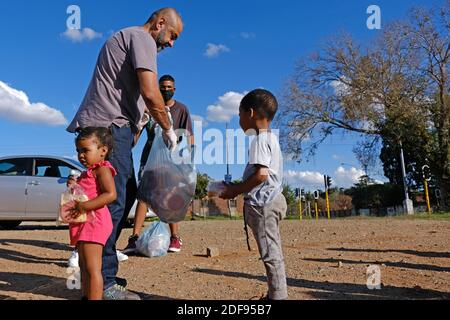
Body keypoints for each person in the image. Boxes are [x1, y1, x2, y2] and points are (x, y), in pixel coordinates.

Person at [66, 8, 184, 300]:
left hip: (106, 126)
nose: (171, 44)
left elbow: (135, 98)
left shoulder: (125, 37)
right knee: (113, 200)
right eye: (172, 35)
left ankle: (97, 273)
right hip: (108, 126)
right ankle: (102, 283)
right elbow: (149, 91)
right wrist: (168, 129)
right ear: (159, 24)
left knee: (120, 196)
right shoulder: (141, 39)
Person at [220, 89, 288, 300]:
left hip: (264, 205)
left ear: (250, 113)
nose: (239, 120)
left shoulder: (259, 140)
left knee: (271, 254)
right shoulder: (270, 139)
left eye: (239, 114)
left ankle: (278, 297)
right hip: (272, 201)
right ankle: (274, 295)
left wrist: (235, 191)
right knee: (271, 251)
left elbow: (261, 175)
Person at [122, 74, 194, 254]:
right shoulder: (149, 108)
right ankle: (135, 238)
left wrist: (188, 158)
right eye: (162, 87)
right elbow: (134, 140)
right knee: (144, 196)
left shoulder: (181, 110)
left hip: (172, 158)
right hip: (149, 160)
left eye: (169, 87)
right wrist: (139, 125)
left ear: (174, 89)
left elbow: (189, 136)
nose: (166, 90)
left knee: (170, 195)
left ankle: (175, 237)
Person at [68, 127, 117, 300]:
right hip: (84, 222)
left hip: (95, 222)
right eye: (78, 151)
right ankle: (86, 295)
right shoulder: (85, 173)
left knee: (92, 267)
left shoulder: (102, 169)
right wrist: (73, 185)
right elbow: (82, 195)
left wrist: (85, 206)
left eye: (85, 150)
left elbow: (111, 194)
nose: (81, 155)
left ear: (103, 150)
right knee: (83, 264)